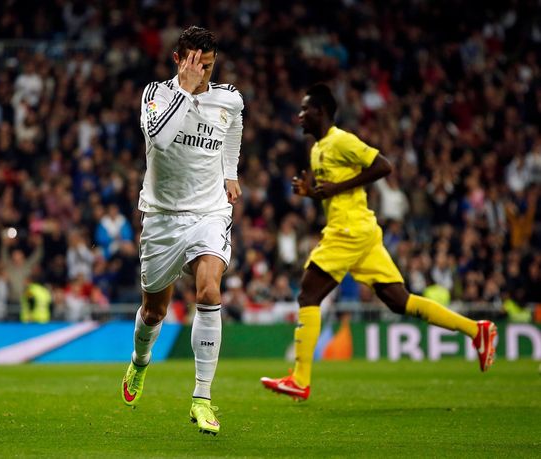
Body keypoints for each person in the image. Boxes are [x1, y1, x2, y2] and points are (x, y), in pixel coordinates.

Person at [260, 84, 497, 401]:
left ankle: (300, 379)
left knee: (308, 293)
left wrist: (334, 188)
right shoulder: (317, 150)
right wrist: (313, 193)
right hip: (360, 231)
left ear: (321, 111)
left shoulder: (341, 140)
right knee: (399, 301)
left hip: (349, 230)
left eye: (305, 110)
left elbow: (383, 165)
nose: (300, 116)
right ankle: (476, 329)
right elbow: (335, 192)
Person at [120, 26, 243, 436]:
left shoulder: (228, 98)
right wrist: (186, 92)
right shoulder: (155, 95)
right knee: (153, 310)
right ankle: (139, 362)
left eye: (208, 65)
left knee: (209, 290)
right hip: (162, 217)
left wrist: (230, 173)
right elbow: (159, 139)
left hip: (209, 211)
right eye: (194, 64)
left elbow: (233, 127)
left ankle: (202, 398)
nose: (202, 73)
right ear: (178, 60)